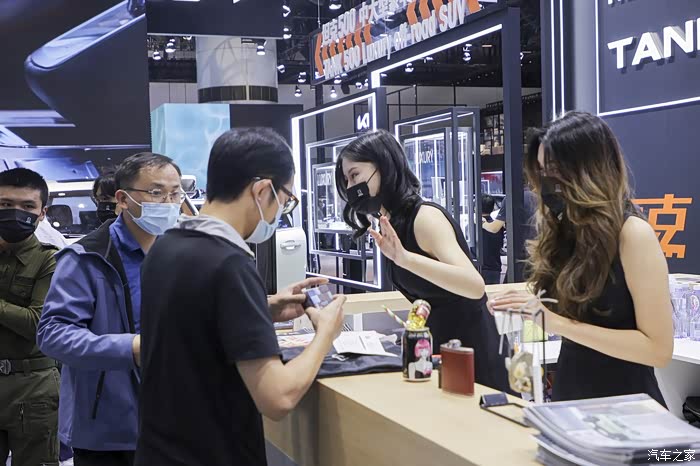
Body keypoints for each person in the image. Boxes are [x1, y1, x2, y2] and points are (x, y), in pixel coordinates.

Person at [134, 128, 346, 466]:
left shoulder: (166, 247)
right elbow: (277, 397)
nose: (280, 212)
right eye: (285, 199)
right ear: (262, 190)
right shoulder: (230, 264)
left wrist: (262, 308)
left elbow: (193, 323)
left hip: (159, 451)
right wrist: (326, 333)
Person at [490, 112, 673, 405]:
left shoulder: (632, 234)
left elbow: (658, 350)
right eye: (542, 171)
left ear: (589, 169)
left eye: (554, 170)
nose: (547, 183)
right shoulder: (566, 232)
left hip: (627, 409)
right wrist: (527, 306)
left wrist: (557, 323)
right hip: (571, 401)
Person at [37, 152, 184, 466]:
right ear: (123, 199)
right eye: (156, 192)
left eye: (175, 193)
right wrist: (131, 348)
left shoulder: (179, 253)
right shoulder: (87, 258)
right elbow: (53, 334)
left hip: (174, 422)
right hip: (108, 429)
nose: (169, 203)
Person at [335, 130, 509, 392]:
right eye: (346, 179)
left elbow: (474, 285)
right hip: (442, 352)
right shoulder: (393, 222)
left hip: (473, 354)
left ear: (384, 167)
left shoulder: (424, 217)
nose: (350, 187)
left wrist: (406, 259)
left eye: (355, 175)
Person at [0, 168, 60, 466]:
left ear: (42, 213)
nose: (15, 213)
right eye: (5, 205)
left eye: (27, 206)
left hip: (32, 387)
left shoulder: (52, 259)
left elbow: (38, 324)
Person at [480, 194, 504, 285]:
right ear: (493, 208)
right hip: (494, 268)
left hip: (476, 268)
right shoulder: (498, 227)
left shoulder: (471, 227)